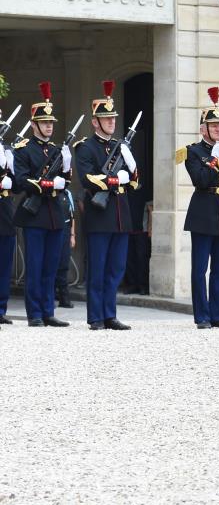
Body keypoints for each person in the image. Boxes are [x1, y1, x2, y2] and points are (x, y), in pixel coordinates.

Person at [73, 80, 137, 330]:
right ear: (95, 122)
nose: (111, 121)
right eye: (106, 118)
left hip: (121, 214)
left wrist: (131, 170)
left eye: (113, 118)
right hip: (100, 215)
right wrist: (113, 179)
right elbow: (87, 178)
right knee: (98, 268)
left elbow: (134, 182)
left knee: (116, 268)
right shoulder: (85, 147)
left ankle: (110, 314)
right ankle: (96, 316)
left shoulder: (122, 146)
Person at [178, 86, 219, 329]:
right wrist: (214, 161)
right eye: (213, 126)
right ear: (202, 128)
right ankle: (202, 316)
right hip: (203, 214)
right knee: (200, 269)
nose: (217, 129)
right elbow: (200, 181)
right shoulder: (193, 152)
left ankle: (218, 314)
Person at [13, 82, 73, 327]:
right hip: (34, 214)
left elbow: (66, 181)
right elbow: (20, 180)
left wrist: (66, 171)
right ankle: (35, 313)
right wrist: (48, 185)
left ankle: (48, 311)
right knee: (36, 266)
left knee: (52, 266)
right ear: (34, 124)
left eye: (51, 123)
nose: (49, 126)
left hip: (55, 214)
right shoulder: (23, 150)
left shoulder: (59, 150)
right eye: (45, 122)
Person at [0, 118, 16, 325]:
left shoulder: (7, 149)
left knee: (4, 266)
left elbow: (19, 184)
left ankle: (1, 308)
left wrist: (13, 174)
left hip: (4, 214)